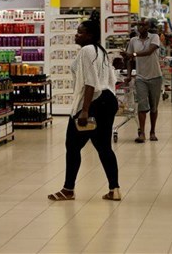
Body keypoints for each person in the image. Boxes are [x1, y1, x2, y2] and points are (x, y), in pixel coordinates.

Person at [48, 20, 120, 202]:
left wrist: (85, 111)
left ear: (89, 35)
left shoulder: (86, 51)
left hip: (93, 102)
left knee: (72, 146)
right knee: (104, 147)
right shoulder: (101, 51)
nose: (76, 34)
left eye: (80, 32)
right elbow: (110, 79)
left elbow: (90, 83)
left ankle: (68, 189)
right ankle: (114, 189)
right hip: (107, 100)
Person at [123, 19, 163, 143]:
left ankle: (153, 131)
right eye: (139, 25)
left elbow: (149, 51)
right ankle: (142, 132)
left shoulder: (155, 37)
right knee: (142, 105)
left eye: (144, 25)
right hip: (140, 78)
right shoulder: (133, 41)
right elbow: (128, 59)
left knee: (154, 107)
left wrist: (133, 55)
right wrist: (129, 75)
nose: (142, 27)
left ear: (149, 26)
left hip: (155, 76)